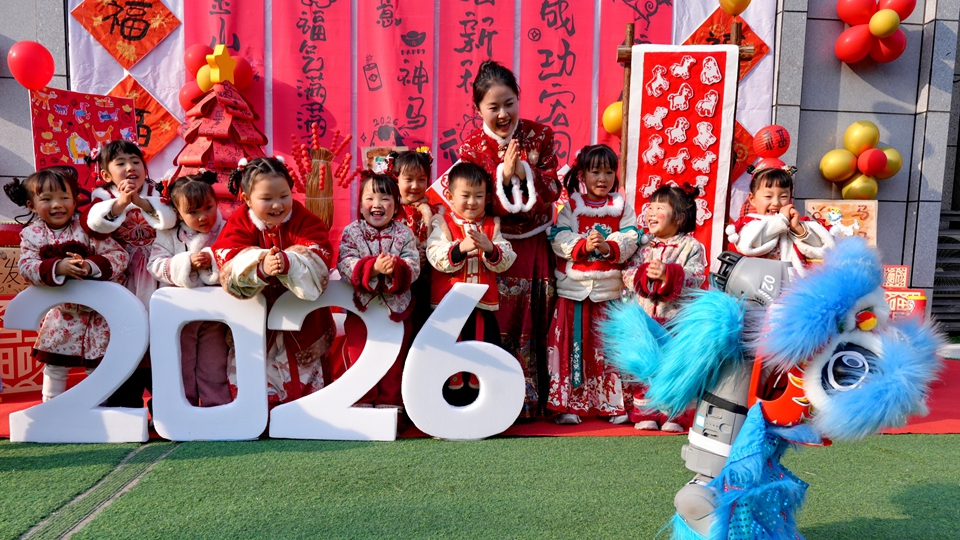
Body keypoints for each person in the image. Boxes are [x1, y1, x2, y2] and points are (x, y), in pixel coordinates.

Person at [457, 60, 561, 416]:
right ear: (478, 109)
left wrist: (525, 171)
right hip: (494, 246)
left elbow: (554, 187)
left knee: (538, 319)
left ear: (518, 98)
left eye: (509, 103)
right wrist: (502, 177)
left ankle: (534, 401)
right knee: (498, 321)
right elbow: (470, 202)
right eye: (493, 107)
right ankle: (496, 400)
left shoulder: (540, 135)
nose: (503, 114)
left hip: (535, 245)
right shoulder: (471, 148)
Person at [212, 157, 336, 404]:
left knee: (306, 394)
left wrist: (290, 262)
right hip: (255, 325)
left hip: (303, 326)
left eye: (284, 196)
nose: (277, 205)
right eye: (267, 198)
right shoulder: (239, 222)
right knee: (254, 388)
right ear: (247, 199)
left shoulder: (305, 220)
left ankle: (304, 417)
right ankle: (257, 418)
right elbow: (226, 258)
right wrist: (260, 266)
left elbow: (319, 255)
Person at [5, 167, 128, 401]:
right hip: (61, 315)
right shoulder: (31, 234)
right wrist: (57, 267)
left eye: (64, 197)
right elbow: (26, 267)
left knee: (98, 367)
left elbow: (119, 256)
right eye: (47, 199)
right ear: (31, 205)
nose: (57, 205)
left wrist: (89, 266)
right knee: (54, 366)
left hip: (97, 316)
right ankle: (50, 407)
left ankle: (99, 409)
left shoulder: (87, 227)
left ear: (75, 200)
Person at [546, 145, 639, 425]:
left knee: (607, 349)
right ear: (582, 175)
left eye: (609, 172)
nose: (602, 178)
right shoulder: (571, 206)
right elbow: (558, 238)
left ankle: (611, 404)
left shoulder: (622, 207)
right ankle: (569, 405)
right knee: (572, 349)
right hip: (574, 291)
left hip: (608, 292)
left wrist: (609, 246)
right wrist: (583, 245)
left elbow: (632, 237)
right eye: (595, 171)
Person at [83, 140, 177, 408]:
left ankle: (164, 405)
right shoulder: (102, 197)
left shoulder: (157, 192)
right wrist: (121, 203)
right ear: (105, 174)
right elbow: (93, 224)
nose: (130, 167)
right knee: (125, 334)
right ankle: (125, 404)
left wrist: (142, 203)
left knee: (159, 335)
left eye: (136, 162)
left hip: (155, 271)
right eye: (121, 163)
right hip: (123, 274)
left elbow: (170, 219)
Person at [426, 162, 516, 398]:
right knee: (447, 356)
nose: (472, 202)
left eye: (478, 196)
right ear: (450, 196)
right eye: (465, 195)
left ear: (487, 198)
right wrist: (460, 248)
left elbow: (507, 258)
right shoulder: (442, 223)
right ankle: (447, 402)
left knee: (483, 355)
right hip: (447, 309)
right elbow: (434, 255)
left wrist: (491, 248)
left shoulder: (492, 225)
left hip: (482, 307)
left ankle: (481, 404)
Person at [622, 185, 706, 432]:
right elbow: (626, 273)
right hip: (645, 318)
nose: (651, 213)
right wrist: (645, 275)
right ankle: (646, 412)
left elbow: (697, 277)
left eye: (659, 208)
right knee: (645, 365)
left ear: (679, 218)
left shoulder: (691, 246)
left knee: (675, 367)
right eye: (650, 207)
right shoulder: (643, 246)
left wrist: (668, 274)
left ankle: (675, 415)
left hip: (676, 321)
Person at [336, 173, 419, 409]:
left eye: (385, 198)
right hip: (361, 311)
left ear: (396, 205)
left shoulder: (404, 233)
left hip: (396, 312)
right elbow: (345, 262)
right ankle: (362, 402)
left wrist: (396, 268)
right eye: (370, 198)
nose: (377, 204)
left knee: (393, 360)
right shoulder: (352, 231)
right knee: (360, 357)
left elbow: (414, 265)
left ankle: (390, 407)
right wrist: (372, 268)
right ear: (360, 204)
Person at [148, 171, 230, 407]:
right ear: (178, 213)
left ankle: (217, 407)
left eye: (208, 207)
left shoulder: (226, 229)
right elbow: (155, 264)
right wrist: (185, 262)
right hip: (180, 315)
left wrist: (213, 261)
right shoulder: (169, 235)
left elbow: (236, 256)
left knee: (214, 364)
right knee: (180, 363)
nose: (203, 217)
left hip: (215, 315)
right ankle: (183, 408)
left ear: (216, 202)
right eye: (193, 212)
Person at [726, 167, 834, 274]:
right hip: (758, 281)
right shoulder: (747, 224)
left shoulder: (797, 223)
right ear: (752, 199)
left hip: (793, 281)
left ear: (790, 199)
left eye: (783, 196)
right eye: (768, 196)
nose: (776, 203)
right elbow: (748, 244)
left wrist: (798, 229)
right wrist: (782, 221)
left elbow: (821, 248)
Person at [390, 148, 440, 335]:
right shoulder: (390, 211)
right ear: (396, 178)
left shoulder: (436, 212)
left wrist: (428, 255)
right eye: (408, 179)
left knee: (423, 329)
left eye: (421, 180)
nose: (415, 186)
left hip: (426, 284)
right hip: (397, 280)